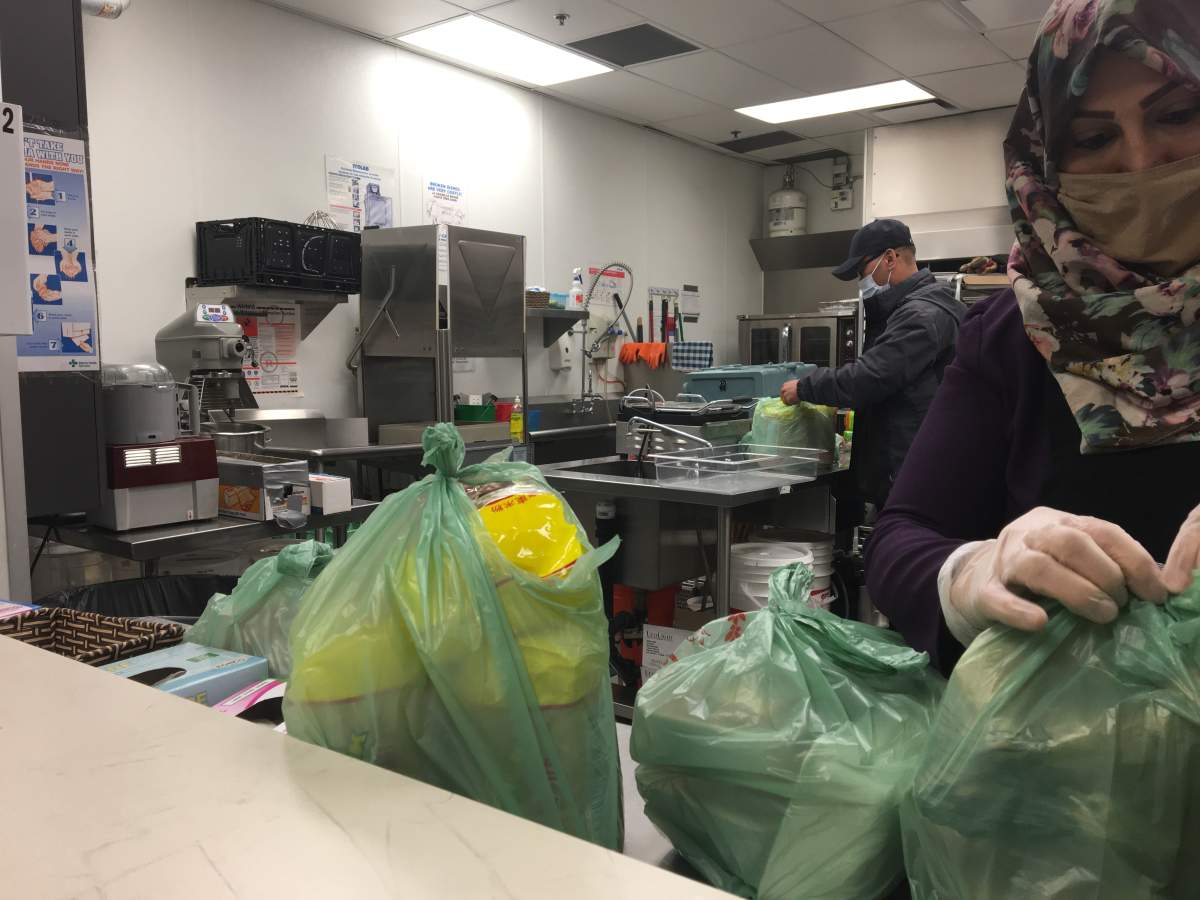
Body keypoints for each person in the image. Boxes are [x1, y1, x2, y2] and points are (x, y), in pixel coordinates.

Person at [866, 0, 1200, 676]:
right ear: (1047, 162)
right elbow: (900, 541)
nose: (1139, 162)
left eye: (1176, 114)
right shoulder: (1014, 334)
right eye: (1094, 137)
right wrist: (973, 571)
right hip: (1072, 760)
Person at [778, 218, 964, 510]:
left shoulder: (921, 315)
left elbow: (871, 377)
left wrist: (805, 387)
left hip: (915, 472)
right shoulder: (911, 308)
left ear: (890, 258)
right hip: (912, 466)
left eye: (862, 271)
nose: (861, 282)